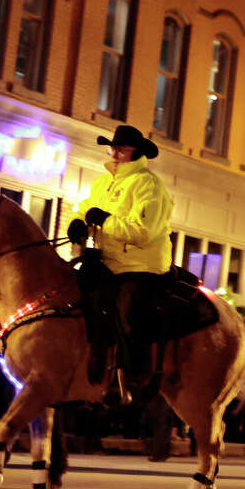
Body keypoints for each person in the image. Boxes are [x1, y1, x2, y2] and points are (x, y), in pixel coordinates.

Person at [68, 124, 173, 401]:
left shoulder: (149, 184)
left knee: (127, 316)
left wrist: (104, 220)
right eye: (112, 147)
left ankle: (134, 379)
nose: (114, 153)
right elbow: (84, 207)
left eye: (121, 149)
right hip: (104, 260)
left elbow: (144, 232)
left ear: (135, 153)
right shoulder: (102, 182)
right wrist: (77, 223)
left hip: (139, 266)